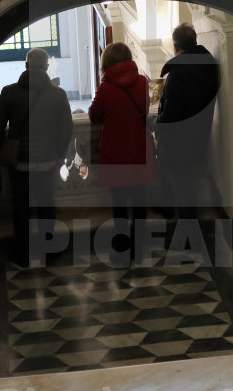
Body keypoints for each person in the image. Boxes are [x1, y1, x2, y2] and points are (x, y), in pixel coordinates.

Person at [0, 48, 73, 267]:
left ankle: (22, 255)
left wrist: (5, 149)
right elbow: (66, 129)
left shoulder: (9, 92)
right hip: (47, 162)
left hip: (19, 164)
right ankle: (49, 252)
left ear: (26, 66)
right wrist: (58, 155)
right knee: (47, 206)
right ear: (46, 67)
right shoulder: (59, 94)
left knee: (21, 209)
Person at [88, 42, 157, 264]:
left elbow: (94, 116)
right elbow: (145, 109)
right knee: (139, 201)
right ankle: (140, 248)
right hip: (138, 148)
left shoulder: (106, 88)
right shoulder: (142, 82)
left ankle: (122, 248)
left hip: (116, 152)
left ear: (107, 61)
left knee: (119, 203)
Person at [155, 22, 220, 219]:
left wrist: (154, 123)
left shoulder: (178, 74)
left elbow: (171, 116)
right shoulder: (208, 66)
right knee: (183, 187)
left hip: (178, 141)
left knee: (181, 190)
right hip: (199, 134)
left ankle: (184, 237)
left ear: (175, 47)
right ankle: (171, 212)